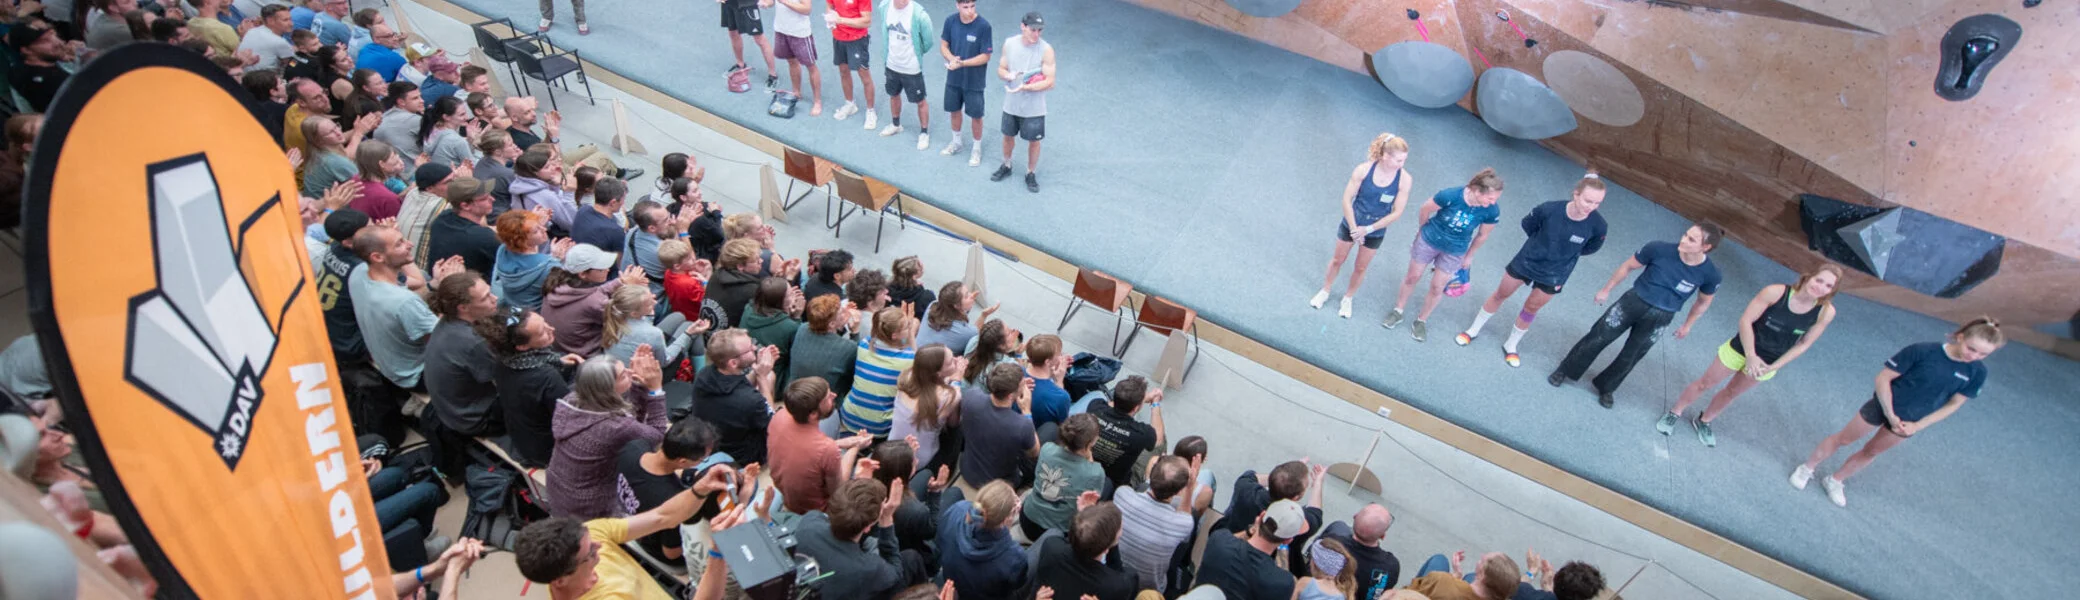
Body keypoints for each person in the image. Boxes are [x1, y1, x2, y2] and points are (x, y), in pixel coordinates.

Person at [1792, 318, 2002, 507]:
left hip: (1911, 420)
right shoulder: (1923, 351)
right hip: (1883, 406)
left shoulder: (1977, 372)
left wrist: (1917, 425)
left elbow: (1954, 404)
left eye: (1982, 354)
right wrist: (1890, 413)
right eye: (1971, 348)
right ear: (1960, 337)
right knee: (1844, 439)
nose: (1973, 356)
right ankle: (1808, 468)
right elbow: (1883, 379)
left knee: (1872, 451)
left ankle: (1835, 480)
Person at [1548, 224, 1724, 408]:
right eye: (1686, 234)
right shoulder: (1658, 249)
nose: (1683, 240)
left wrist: (1688, 325)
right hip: (1633, 302)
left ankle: (1607, 386)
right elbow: (1628, 267)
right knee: (1598, 336)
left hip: (1662, 316)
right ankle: (1566, 370)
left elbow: (1703, 302)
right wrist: (1606, 289)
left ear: (1705, 247)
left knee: (1633, 354)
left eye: (1691, 240)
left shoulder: (1711, 274)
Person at [1661, 265, 1840, 446]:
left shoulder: (1825, 312)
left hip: (1767, 362)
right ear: (1808, 277)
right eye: (1819, 280)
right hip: (1741, 349)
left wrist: (1773, 367)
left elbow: (1804, 344)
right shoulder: (1775, 292)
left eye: (1828, 286)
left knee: (1732, 392)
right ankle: (1675, 412)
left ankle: (1705, 420)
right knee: (1705, 383)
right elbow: (1746, 321)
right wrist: (1750, 355)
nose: (1820, 287)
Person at [513, 463, 739, 598]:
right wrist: (718, 551)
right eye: (590, 552)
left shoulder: (589, 534)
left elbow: (663, 517)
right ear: (560, 580)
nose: (598, 546)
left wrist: (700, 489)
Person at [1455, 172, 1608, 367]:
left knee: (1532, 308)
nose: (1591, 207)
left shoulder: (1599, 226)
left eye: (1597, 203)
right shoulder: (1549, 209)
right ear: (1576, 194)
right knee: (1501, 294)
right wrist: (1539, 246)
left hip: (1555, 274)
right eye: (1588, 201)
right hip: (1527, 261)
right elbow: (1528, 225)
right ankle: (1473, 330)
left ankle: (1511, 345)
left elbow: (1590, 248)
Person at [1381, 168, 1504, 342]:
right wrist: (1422, 230)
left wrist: (1469, 256)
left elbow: (1483, 235)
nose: (1493, 202)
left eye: (1495, 199)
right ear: (1477, 191)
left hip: (1455, 250)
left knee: (1437, 287)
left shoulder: (1491, 211)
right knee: (1412, 277)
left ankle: (1421, 320)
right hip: (1430, 240)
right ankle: (1398, 310)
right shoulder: (1451, 195)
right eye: (1490, 198)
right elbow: (1425, 209)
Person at [548, 351, 671, 520]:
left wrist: (637, 384)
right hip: (587, 507)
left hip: (560, 489)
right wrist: (655, 390)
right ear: (608, 389)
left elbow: (633, 422)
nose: (629, 371)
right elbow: (656, 434)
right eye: (623, 375)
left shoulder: (573, 399)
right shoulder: (613, 426)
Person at [1310, 133, 1412, 319]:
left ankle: (1348, 298)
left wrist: (1368, 230)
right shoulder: (1363, 170)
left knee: (1360, 267)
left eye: (1404, 160)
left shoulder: (1404, 179)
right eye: (1398, 160)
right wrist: (1354, 228)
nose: (1401, 165)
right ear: (1385, 156)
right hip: (1352, 222)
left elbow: (1397, 212)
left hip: (1375, 230)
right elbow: (1347, 200)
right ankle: (1325, 290)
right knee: (1337, 260)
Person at [476, 305, 582, 468]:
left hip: (524, 436)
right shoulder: (545, 377)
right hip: (546, 451)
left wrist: (559, 363)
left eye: (545, 322)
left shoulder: (503, 359)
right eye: (542, 332)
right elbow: (571, 419)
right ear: (522, 346)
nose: (551, 328)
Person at [350, 226, 455, 391]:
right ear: (377, 257)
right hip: (415, 376)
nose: (410, 244)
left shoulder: (359, 272)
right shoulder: (405, 302)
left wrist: (434, 284)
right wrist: (451, 288)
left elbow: (408, 294)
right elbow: (444, 340)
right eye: (399, 244)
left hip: (389, 364)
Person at [793, 477, 919, 600]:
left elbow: (843, 513)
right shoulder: (868, 568)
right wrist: (886, 518)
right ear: (868, 527)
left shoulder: (810, 522)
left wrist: (854, 490)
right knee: (911, 558)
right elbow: (896, 572)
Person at [615, 417, 720, 562]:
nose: (702, 463)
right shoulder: (674, 502)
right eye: (702, 460)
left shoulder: (634, 447)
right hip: (654, 547)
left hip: (626, 519)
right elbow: (672, 553)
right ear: (682, 461)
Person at [770, 377, 873, 514]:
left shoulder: (779, 416)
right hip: (816, 511)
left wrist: (841, 443)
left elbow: (805, 448)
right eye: (828, 397)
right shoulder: (826, 449)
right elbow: (838, 492)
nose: (834, 395)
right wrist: (855, 447)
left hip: (787, 494)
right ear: (812, 414)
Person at [424, 272, 504, 438]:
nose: (494, 298)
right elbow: (505, 380)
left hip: (451, 409)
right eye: (485, 298)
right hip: (474, 420)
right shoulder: (473, 342)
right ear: (463, 308)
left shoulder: (447, 321)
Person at [692, 329, 781, 465]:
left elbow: (738, 384)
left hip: (711, 442)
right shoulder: (750, 400)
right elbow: (773, 424)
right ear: (733, 363)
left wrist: (758, 372)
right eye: (749, 349)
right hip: (743, 457)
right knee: (769, 378)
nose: (755, 348)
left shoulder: (704, 374)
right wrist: (761, 377)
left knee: (767, 375)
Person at [541, 245, 649, 356]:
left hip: (560, 348)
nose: (608, 269)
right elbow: (626, 318)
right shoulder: (595, 303)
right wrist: (632, 290)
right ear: (583, 274)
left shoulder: (556, 282)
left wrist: (621, 282)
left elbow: (594, 292)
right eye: (601, 269)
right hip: (585, 356)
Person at [988, 12, 1053, 193]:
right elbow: (1001, 68)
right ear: (1023, 26)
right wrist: (1007, 75)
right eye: (1033, 29)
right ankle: (1006, 165)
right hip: (1012, 104)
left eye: (1039, 30)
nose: (1036, 34)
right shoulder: (1010, 44)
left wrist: (1027, 88)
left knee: (1034, 141)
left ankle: (1030, 173)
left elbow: (1050, 81)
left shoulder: (1046, 50)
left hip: (1035, 108)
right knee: (1008, 136)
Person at [1116, 455, 1200, 595]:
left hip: (1115, 574)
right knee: (1193, 518)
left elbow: (1144, 487)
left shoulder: (1122, 494)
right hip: (1150, 590)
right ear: (1180, 491)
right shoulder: (1183, 524)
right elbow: (1186, 517)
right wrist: (1190, 487)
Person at [1196, 499, 1308, 600]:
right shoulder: (1282, 582)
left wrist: (1251, 530)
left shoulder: (1219, 540)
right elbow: (1284, 575)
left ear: (1261, 516)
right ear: (1288, 540)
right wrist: (1283, 547)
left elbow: (1229, 537)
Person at [1019, 413, 1106, 540]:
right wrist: (1089, 457)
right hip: (1058, 533)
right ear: (1091, 442)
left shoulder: (1047, 449)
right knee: (1107, 485)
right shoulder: (1095, 472)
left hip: (1028, 519)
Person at [1034, 497, 1139, 600]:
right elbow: (1118, 574)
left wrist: (1084, 520)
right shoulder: (1118, 585)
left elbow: (1074, 541)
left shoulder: (1051, 547)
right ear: (1106, 550)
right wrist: (1112, 544)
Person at [938, 480, 1027, 598]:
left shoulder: (957, 509)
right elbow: (1018, 583)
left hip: (952, 581)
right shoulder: (1014, 556)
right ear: (1005, 520)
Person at [957, 363, 1037, 491]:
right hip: (997, 484)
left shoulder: (971, 395)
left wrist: (1016, 386)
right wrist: (1027, 411)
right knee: (1047, 431)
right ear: (1011, 395)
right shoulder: (1022, 424)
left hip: (967, 470)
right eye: (1023, 384)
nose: (1025, 386)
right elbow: (1034, 452)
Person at [842, 307, 920, 437]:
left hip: (849, 416)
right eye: (907, 327)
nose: (909, 327)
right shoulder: (907, 360)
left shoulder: (864, 345)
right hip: (879, 426)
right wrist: (911, 335)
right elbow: (917, 360)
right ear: (894, 335)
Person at [889, 344, 964, 471]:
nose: (957, 361)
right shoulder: (950, 396)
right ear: (938, 373)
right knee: (957, 428)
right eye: (952, 361)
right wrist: (957, 380)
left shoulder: (907, 376)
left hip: (892, 447)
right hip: (919, 459)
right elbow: (953, 423)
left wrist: (948, 377)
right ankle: (947, 469)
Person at [936, 0, 992, 166]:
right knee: (954, 111)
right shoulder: (950, 21)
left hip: (974, 82)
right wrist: (952, 58)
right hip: (954, 79)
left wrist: (963, 63)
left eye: (972, 6)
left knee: (976, 116)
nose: (970, 11)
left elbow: (985, 56)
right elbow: (944, 46)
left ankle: (976, 148)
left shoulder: (984, 26)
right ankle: (957, 142)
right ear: (957, 6)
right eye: (965, 7)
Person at [875, 0, 933, 149]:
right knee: (893, 95)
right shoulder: (884, 7)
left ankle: (924, 133)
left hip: (911, 67)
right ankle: (896, 124)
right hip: (891, 63)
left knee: (920, 101)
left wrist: (915, 54)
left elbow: (928, 42)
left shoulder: (920, 15)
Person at [1086, 375, 1163, 488]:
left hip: (1087, 465)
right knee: (1161, 442)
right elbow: (1158, 439)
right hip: (1114, 483)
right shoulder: (1142, 434)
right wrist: (1155, 404)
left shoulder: (1095, 407)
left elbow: (1112, 404)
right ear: (1136, 408)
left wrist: (1139, 399)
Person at [601, 285, 706, 365]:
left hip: (622, 366)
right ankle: (700, 379)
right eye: (649, 303)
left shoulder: (613, 318)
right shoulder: (654, 333)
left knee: (678, 316)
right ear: (634, 313)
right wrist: (688, 333)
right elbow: (665, 361)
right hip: (646, 377)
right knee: (688, 326)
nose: (655, 303)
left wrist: (649, 315)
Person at [492, 209, 574, 310]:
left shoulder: (502, 250)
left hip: (513, 308)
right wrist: (558, 260)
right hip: (538, 315)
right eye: (536, 231)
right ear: (522, 241)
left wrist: (532, 223)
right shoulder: (549, 266)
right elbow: (567, 294)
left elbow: (528, 256)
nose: (544, 229)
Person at [1317, 504, 1402, 598]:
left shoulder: (1330, 543)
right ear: (1383, 536)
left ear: (1354, 517)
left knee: (1339, 526)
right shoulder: (1391, 566)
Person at [426, 177, 502, 276]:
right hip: (473, 288)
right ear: (465, 206)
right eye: (484, 198)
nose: (492, 199)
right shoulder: (482, 237)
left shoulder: (443, 218)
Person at [791, 294, 862, 400]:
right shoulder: (848, 347)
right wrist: (855, 332)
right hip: (825, 402)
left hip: (794, 394)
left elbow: (828, 339)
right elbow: (857, 367)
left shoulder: (802, 328)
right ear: (832, 324)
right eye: (841, 312)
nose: (845, 312)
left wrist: (840, 322)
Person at [300, 114, 379, 199]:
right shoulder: (333, 161)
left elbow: (347, 156)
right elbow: (367, 185)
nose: (338, 132)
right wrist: (358, 133)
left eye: (336, 126)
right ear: (318, 141)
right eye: (331, 132)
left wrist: (358, 129)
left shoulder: (318, 150)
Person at [826, 0, 877, 129]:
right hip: (838, 37)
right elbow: (830, 6)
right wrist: (830, 18)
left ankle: (871, 111)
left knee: (864, 76)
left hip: (857, 39)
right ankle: (850, 104)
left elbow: (867, 21)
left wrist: (840, 20)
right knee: (843, 71)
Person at [512, 145, 580, 237]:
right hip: (545, 245)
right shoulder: (545, 196)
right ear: (535, 172)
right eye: (547, 167)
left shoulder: (519, 185)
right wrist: (569, 192)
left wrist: (555, 185)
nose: (553, 168)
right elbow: (572, 223)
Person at [743, 278, 806, 376]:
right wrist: (797, 316)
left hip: (745, 369)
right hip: (771, 377)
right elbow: (797, 352)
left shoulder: (748, 309)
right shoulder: (790, 327)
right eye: (790, 294)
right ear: (781, 301)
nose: (794, 295)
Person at [772, 0, 823, 115]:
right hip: (781, 29)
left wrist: (785, 2)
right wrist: (766, 3)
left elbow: (806, 9)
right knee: (791, 61)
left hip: (800, 33)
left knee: (811, 66)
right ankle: (796, 92)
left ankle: (817, 101)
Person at [8, 25, 72, 116]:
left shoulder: (19, 69)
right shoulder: (45, 82)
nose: (58, 43)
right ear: (26, 50)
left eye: (54, 36)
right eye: (45, 41)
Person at [917, 281, 995, 353]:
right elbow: (976, 332)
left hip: (916, 353)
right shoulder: (964, 332)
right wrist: (984, 315)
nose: (971, 296)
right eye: (966, 296)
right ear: (957, 306)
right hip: (931, 365)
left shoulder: (932, 305)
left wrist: (966, 306)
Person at [1404, 552, 1517, 600]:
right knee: (1470, 576)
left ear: (1482, 576)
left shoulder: (1441, 580)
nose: (1481, 556)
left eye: (1483, 560)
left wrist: (1452, 579)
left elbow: (1404, 594)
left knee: (1439, 559)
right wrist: (1457, 577)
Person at [707, 239, 765, 328]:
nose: (761, 261)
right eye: (756, 260)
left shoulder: (716, 275)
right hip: (726, 339)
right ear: (740, 266)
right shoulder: (752, 290)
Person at [718, 0, 776, 88]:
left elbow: (771, 2)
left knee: (759, 39)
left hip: (748, 4)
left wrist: (769, 2)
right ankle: (740, 64)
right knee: (733, 33)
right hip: (729, 3)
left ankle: (773, 75)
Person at [348, 140, 408, 220]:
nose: (398, 158)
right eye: (393, 157)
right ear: (382, 164)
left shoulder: (354, 181)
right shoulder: (388, 198)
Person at [1022, 334, 1071, 428]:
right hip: (1041, 435)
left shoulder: (1016, 372)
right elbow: (1064, 425)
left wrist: (1051, 374)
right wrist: (1059, 380)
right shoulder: (1061, 397)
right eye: (1059, 354)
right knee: (1097, 395)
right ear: (1047, 362)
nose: (1061, 356)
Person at [418, 95, 479, 169]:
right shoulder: (456, 140)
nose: (466, 117)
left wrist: (469, 139)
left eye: (465, 113)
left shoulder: (431, 129)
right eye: (462, 115)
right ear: (446, 117)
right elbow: (473, 166)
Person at [659, 239, 713, 323]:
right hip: (696, 318)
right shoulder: (689, 283)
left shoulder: (668, 273)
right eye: (688, 259)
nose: (693, 259)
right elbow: (708, 300)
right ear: (677, 266)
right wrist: (707, 277)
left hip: (681, 312)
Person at [570, 175, 629, 250]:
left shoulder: (582, 210)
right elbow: (620, 259)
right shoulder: (615, 231)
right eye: (623, 199)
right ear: (613, 203)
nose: (623, 202)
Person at [371, 84, 425, 161]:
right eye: (415, 98)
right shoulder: (414, 120)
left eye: (420, 97)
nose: (422, 101)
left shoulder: (384, 116)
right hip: (412, 169)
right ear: (401, 102)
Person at [961, 319, 1021, 389]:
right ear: (1000, 345)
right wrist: (1018, 355)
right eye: (1009, 333)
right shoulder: (1008, 366)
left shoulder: (974, 341)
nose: (1013, 332)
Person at [238, 4, 295, 70]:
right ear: (270, 21)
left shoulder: (252, 31)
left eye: (290, 19)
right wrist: (296, 57)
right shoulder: (279, 42)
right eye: (285, 20)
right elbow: (291, 64)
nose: (291, 24)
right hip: (264, 78)